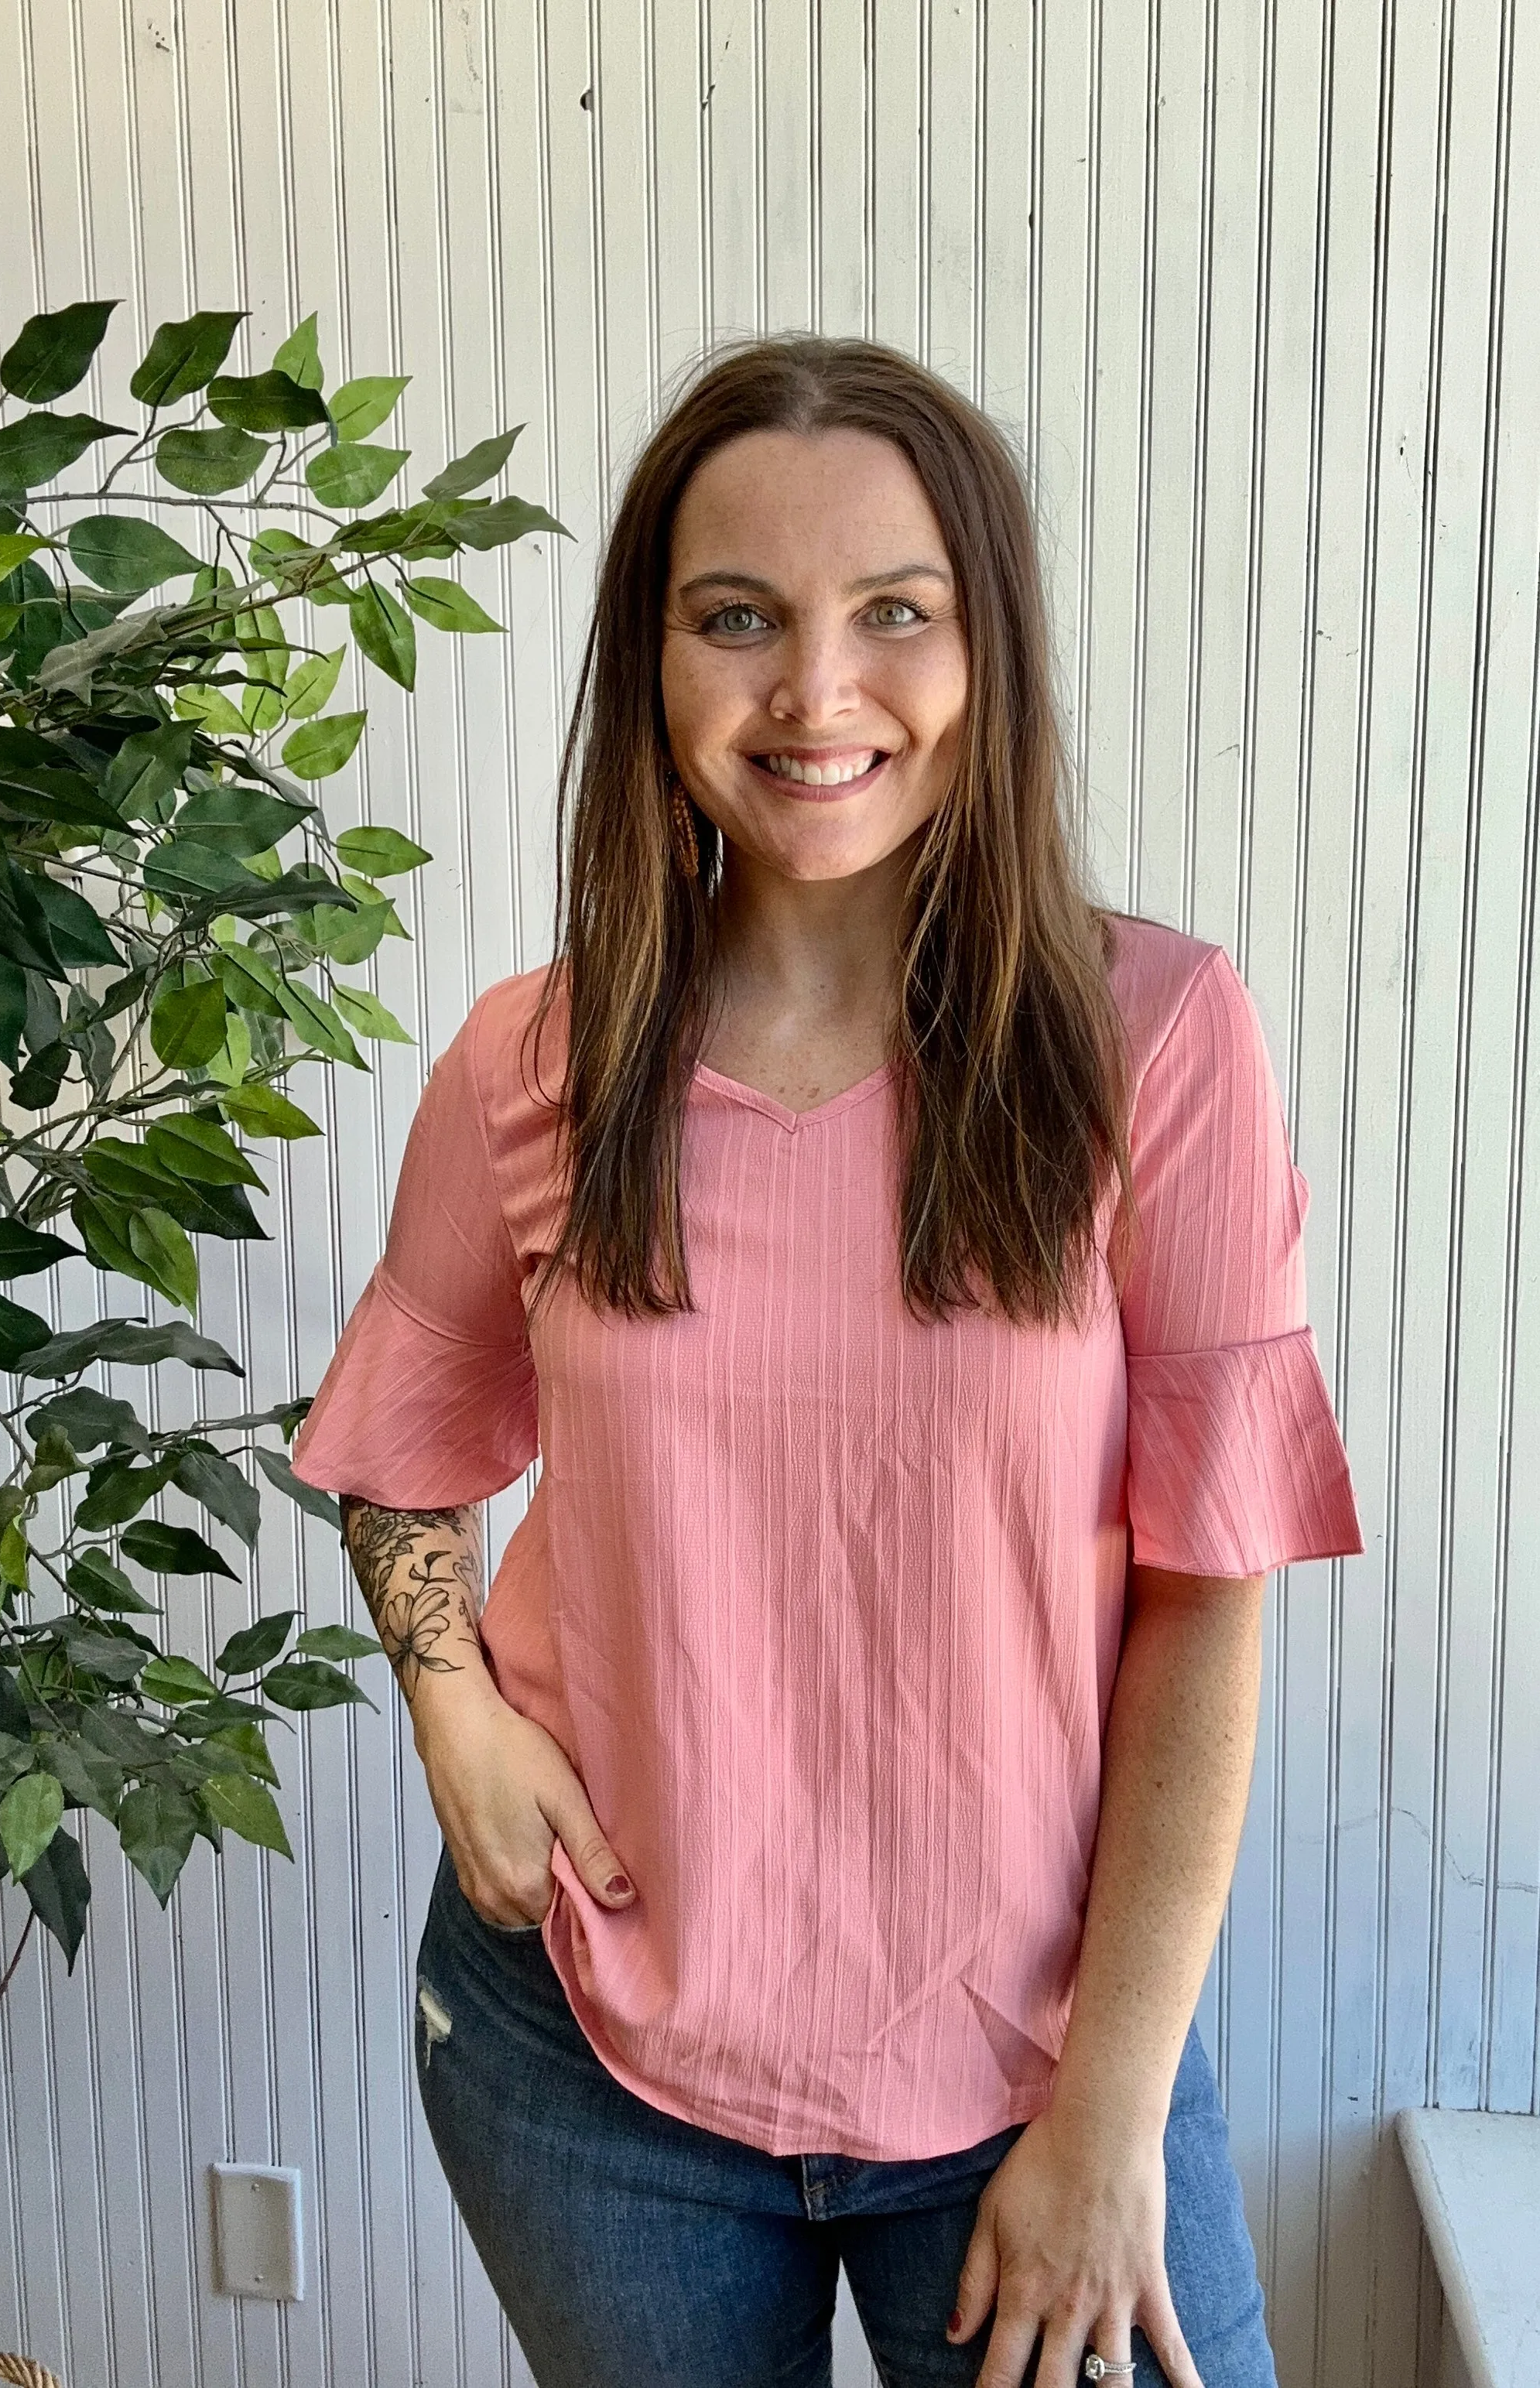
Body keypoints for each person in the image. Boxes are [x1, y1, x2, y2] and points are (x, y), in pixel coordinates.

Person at [290, 335, 1364, 2388]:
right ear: (656, 663)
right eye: (737, 621)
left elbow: (1206, 1602)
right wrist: (454, 1712)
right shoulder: (540, 1061)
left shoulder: (1154, 1045)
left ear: (993, 652)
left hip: (1037, 2063)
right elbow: (397, 1449)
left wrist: (1112, 2114)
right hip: (590, 2064)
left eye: (895, 614)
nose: (814, 692)